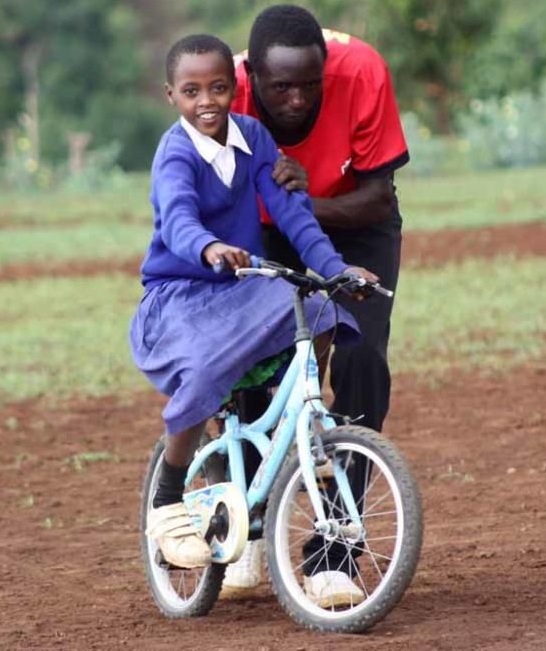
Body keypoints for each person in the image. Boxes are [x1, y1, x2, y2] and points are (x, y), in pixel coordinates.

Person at [131, 33, 378, 604]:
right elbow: (177, 220)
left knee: (318, 307)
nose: (207, 101)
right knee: (207, 367)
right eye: (192, 91)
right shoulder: (174, 153)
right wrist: (210, 248)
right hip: (180, 295)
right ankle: (168, 497)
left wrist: (336, 268)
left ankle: (313, 417)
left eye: (218, 87)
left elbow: (294, 217)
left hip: (240, 289)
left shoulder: (255, 139)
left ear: (235, 87)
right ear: (172, 96)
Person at [222, 4, 409, 602]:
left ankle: (336, 549)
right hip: (263, 228)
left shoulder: (363, 72)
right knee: (258, 363)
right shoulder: (225, 90)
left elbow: (378, 198)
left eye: (310, 84)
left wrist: (306, 203)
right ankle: (248, 530)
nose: (297, 99)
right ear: (254, 80)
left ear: (326, 69)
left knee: (359, 358)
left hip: (351, 220)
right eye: (282, 87)